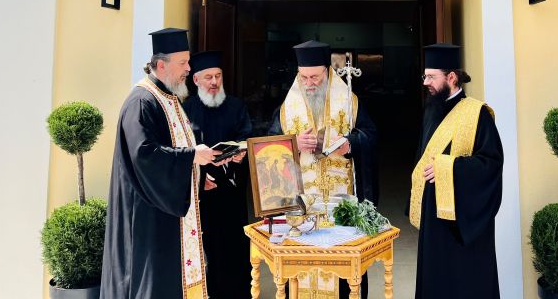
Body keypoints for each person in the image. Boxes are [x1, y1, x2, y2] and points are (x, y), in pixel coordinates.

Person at [100, 28, 229, 299]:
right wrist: (191, 157)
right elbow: (145, 154)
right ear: (161, 65)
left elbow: (173, 148)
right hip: (148, 217)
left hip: (166, 213)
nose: (188, 69)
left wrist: (194, 175)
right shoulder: (142, 101)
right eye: (183, 63)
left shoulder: (169, 97)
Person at [269, 40, 378, 298]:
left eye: (315, 77)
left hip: (342, 203)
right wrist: (293, 144)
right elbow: (268, 148)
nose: (309, 83)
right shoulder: (286, 109)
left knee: (344, 274)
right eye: (304, 77)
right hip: (302, 207)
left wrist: (349, 144)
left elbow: (371, 137)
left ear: (327, 73)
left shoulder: (350, 101)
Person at [410, 43, 503, 299]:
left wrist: (448, 167)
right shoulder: (431, 109)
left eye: (431, 77)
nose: (425, 82)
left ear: (451, 77)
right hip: (433, 217)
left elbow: (491, 164)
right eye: (425, 76)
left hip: (463, 223)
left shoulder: (478, 114)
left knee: (465, 282)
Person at [183, 50, 253, 299]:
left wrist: (242, 153)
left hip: (231, 190)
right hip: (202, 193)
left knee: (234, 245)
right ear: (196, 80)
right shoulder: (186, 110)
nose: (214, 82)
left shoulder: (236, 106)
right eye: (208, 77)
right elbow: (182, 150)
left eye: (218, 76)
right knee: (208, 248)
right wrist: (199, 177)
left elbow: (247, 136)